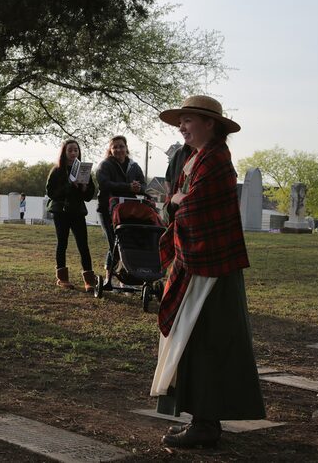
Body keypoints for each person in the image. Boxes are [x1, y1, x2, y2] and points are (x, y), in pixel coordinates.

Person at [151, 95, 264, 448]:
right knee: (195, 339)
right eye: (180, 121)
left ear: (209, 124)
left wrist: (174, 202)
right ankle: (200, 418)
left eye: (188, 120)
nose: (182, 127)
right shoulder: (197, 159)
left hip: (211, 266)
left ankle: (206, 423)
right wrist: (177, 201)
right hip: (199, 264)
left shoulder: (216, 161)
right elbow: (182, 203)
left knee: (206, 341)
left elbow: (194, 210)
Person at [45, 139, 98, 292]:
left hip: (77, 211)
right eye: (70, 150)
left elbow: (89, 196)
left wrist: (83, 187)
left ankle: (89, 280)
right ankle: (62, 278)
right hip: (60, 211)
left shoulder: (84, 171)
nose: (73, 153)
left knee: (83, 244)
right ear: (64, 152)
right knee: (62, 243)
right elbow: (51, 193)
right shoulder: (57, 170)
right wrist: (69, 185)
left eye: (76, 150)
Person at [95, 135, 146, 289]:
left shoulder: (134, 166)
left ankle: (126, 278)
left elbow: (143, 186)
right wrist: (128, 187)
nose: (118, 149)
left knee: (126, 245)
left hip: (127, 211)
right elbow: (104, 184)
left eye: (121, 146)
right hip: (107, 210)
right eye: (115, 146)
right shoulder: (104, 165)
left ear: (126, 148)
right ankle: (109, 278)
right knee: (114, 245)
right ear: (110, 149)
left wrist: (139, 188)